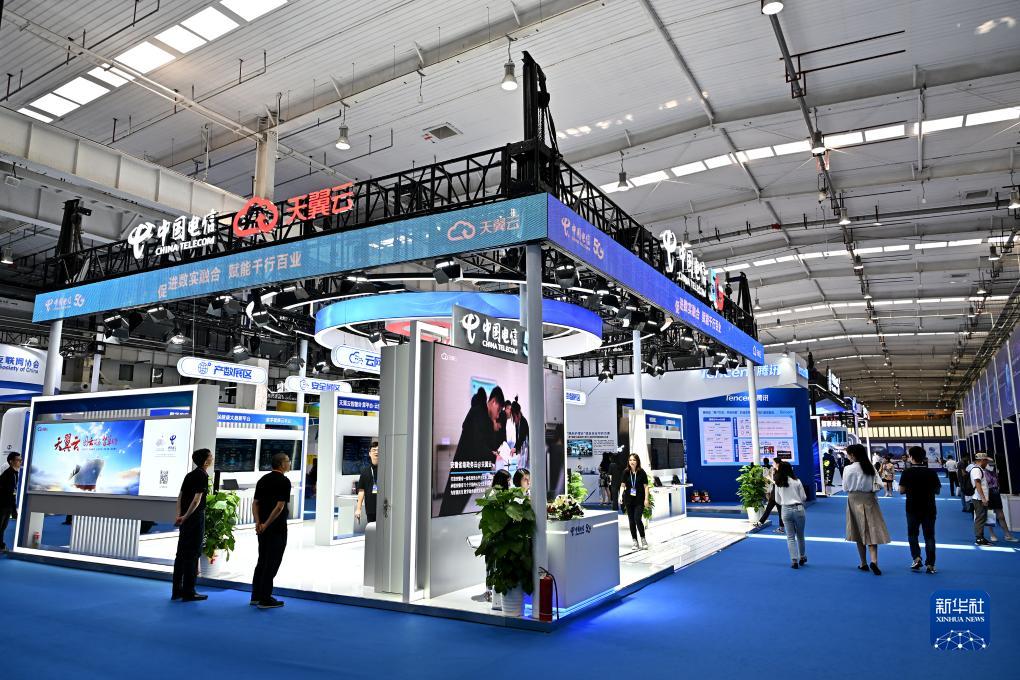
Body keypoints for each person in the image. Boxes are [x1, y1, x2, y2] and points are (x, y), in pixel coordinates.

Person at [439, 387, 507, 516]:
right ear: (493, 402)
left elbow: (487, 445)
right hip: (463, 472)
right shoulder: (478, 413)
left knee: (457, 508)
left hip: (470, 472)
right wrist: (494, 457)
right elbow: (477, 445)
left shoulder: (484, 417)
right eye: (498, 410)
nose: (498, 415)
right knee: (450, 508)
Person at [252, 452, 292, 609]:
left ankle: (256, 596)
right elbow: (280, 506)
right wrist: (267, 524)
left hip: (262, 528)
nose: (290, 463)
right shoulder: (284, 481)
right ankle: (265, 598)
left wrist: (259, 523)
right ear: (282, 464)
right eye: (288, 461)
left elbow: (255, 503)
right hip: (276, 528)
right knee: (272, 561)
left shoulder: (263, 479)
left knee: (262, 559)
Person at [842, 443, 890, 575]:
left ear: (852, 455)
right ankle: (874, 561)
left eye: (848, 454)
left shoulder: (848, 469)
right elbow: (879, 485)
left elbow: (845, 487)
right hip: (870, 499)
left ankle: (863, 563)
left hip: (854, 499)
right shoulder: (870, 467)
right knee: (872, 530)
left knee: (858, 531)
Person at [171, 449, 212, 602]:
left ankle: (177, 590)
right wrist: (187, 516)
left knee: (181, 554)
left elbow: (180, 497)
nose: (212, 458)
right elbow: (196, 500)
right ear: (205, 461)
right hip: (195, 518)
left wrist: (180, 516)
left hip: (184, 518)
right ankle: (189, 591)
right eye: (210, 456)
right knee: (193, 554)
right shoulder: (202, 475)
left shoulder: (189, 475)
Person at [898, 447, 941, 573]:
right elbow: (937, 491)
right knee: (929, 536)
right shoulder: (931, 472)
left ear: (911, 457)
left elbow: (901, 490)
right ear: (924, 457)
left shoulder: (907, 472)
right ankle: (930, 564)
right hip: (929, 508)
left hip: (912, 507)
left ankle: (916, 558)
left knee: (913, 534)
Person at [772, 460, 807, 569]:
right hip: (798, 509)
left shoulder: (778, 483)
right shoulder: (797, 481)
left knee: (790, 537)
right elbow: (804, 497)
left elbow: (777, 500)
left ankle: (794, 560)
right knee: (800, 535)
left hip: (785, 510)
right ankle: (802, 557)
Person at [619, 453, 650, 551]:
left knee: (637, 519)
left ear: (637, 461)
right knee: (631, 521)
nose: (632, 462)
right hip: (629, 500)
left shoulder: (641, 472)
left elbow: (646, 487)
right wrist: (620, 496)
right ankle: (635, 541)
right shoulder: (626, 472)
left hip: (639, 500)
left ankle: (643, 539)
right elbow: (622, 485)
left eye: (634, 460)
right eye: (630, 460)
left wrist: (646, 499)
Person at [982, 460, 1017, 543]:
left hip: (996, 493)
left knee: (1001, 516)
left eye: (993, 465)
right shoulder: (983, 473)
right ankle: (992, 534)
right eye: (990, 465)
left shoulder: (995, 473)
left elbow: (997, 483)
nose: (992, 466)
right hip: (988, 494)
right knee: (990, 515)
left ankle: (1007, 535)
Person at [754, 459, 785, 534]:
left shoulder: (781, 473)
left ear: (777, 463)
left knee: (780, 512)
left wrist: (769, 478)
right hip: (773, 494)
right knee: (768, 510)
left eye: (773, 462)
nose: (772, 463)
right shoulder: (775, 471)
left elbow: (777, 483)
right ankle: (760, 523)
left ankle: (781, 528)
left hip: (778, 495)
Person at [0, 452, 22, 552]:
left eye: (20, 460)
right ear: (11, 461)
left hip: (7, 505)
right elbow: (8, 492)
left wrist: (13, 509)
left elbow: (12, 492)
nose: (20, 462)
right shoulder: (7, 474)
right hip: (3, 505)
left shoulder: (14, 474)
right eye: (18, 460)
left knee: (3, 527)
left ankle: (1, 545)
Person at [968, 453, 992, 545]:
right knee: (980, 518)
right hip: (979, 498)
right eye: (986, 461)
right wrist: (983, 498)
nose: (987, 463)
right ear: (982, 460)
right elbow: (977, 484)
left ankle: (980, 537)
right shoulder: (976, 470)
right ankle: (979, 538)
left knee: (982, 517)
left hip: (980, 497)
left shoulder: (979, 469)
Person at [354, 442, 379, 525]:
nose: (376, 452)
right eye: (374, 450)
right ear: (369, 453)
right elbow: (361, 491)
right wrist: (358, 509)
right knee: (373, 531)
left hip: (384, 509)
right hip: (371, 509)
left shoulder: (387, 469)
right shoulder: (365, 471)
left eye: (378, 450)